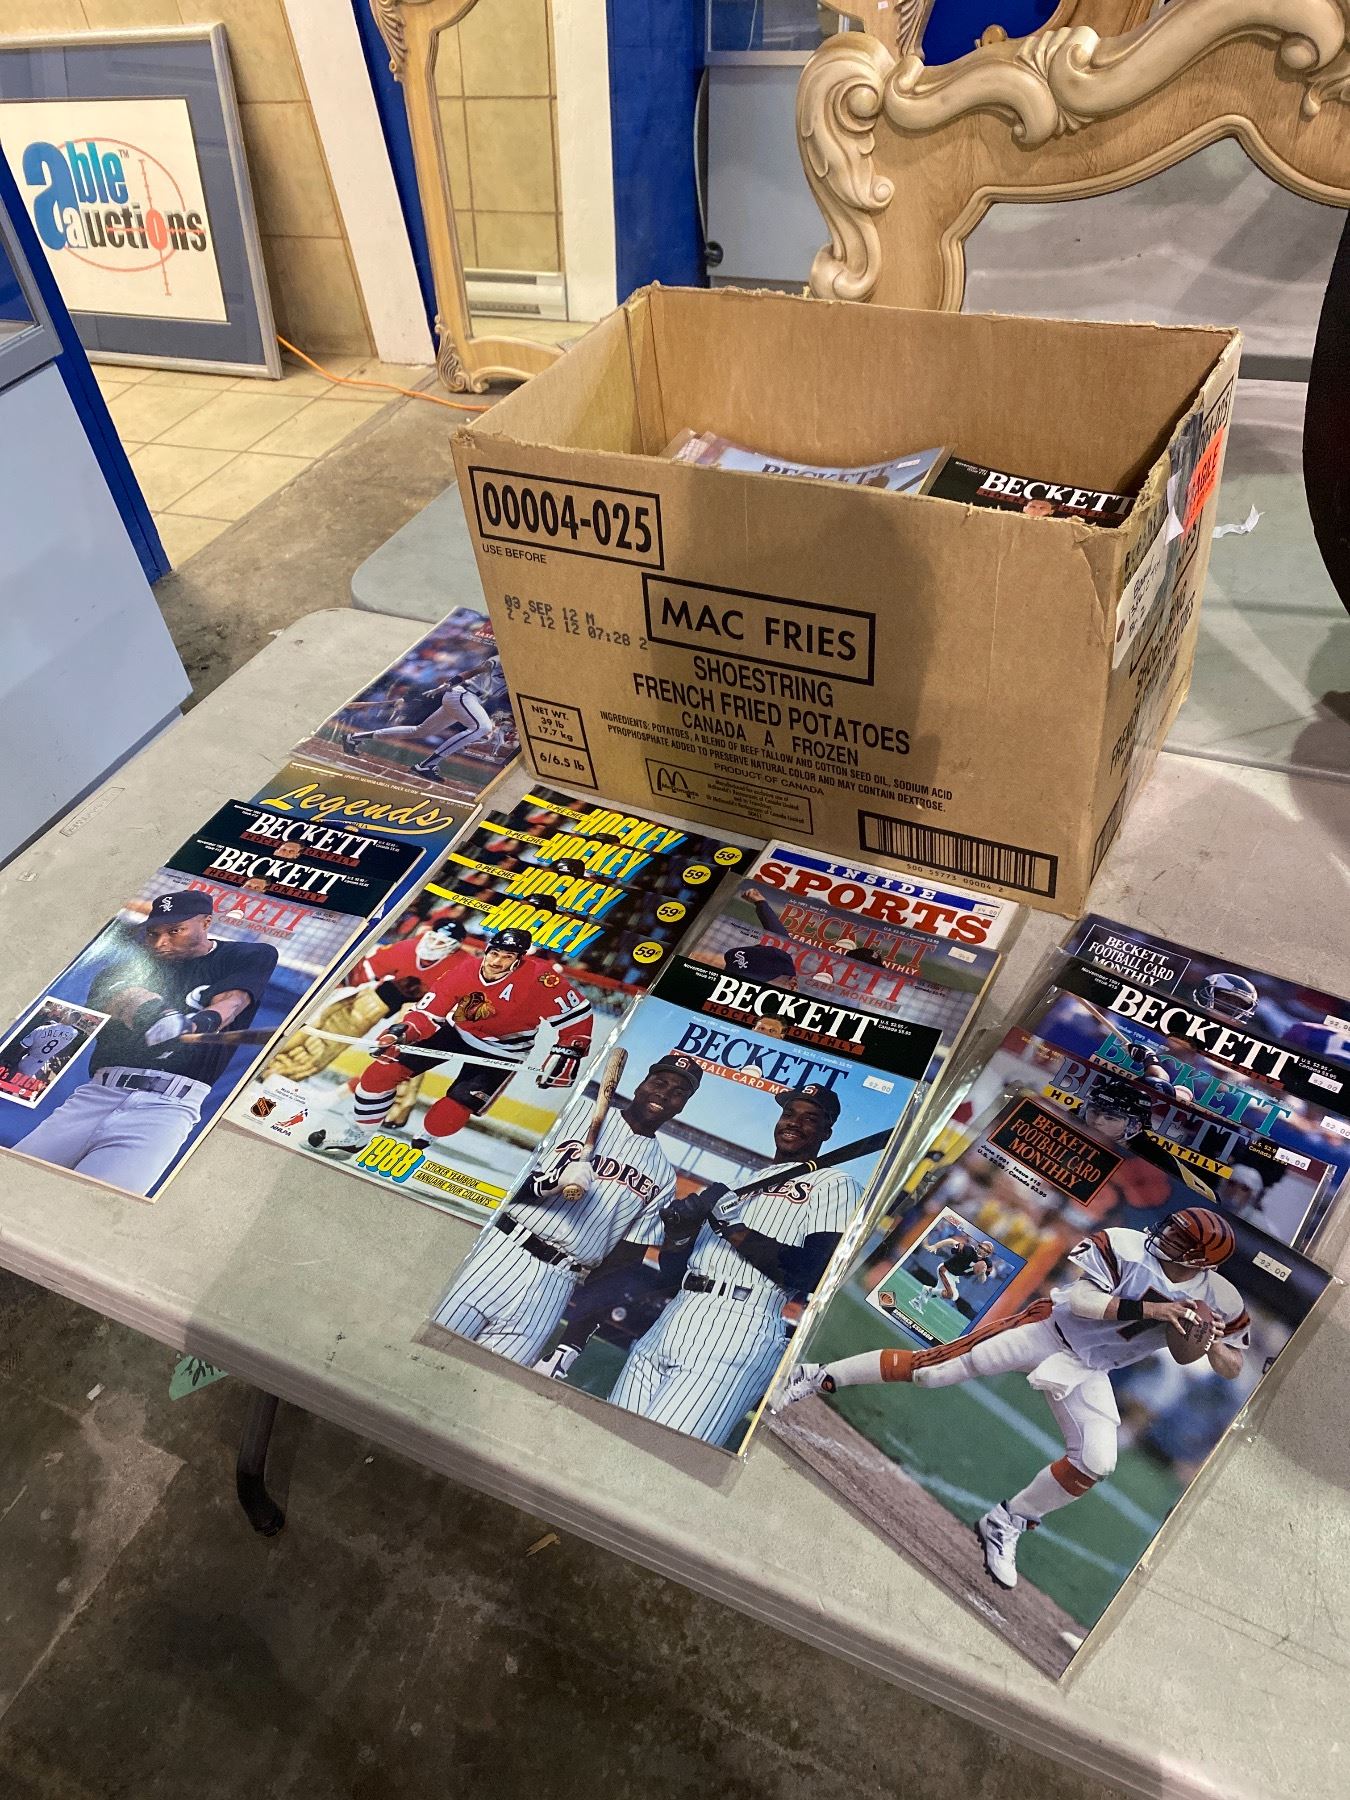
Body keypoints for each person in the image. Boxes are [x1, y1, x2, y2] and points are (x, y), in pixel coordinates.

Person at [779, 1207, 1247, 1590]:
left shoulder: (1219, 1298)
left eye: (1179, 1240)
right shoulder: (1123, 1244)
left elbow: (1231, 1365)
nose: (1163, 1237)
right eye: (1170, 1229)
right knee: (931, 1372)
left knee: (1098, 1460)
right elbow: (1081, 1302)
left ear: (1201, 1262)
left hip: (1091, 1368)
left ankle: (1009, 1520)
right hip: (1047, 1329)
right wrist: (1156, 1309)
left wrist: (1208, 1340)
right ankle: (816, 1375)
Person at [612, 1081, 857, 1447]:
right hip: (675, 1315)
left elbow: (815, 1272)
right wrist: (679, 1233)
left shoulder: (834, 1183)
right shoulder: (742, 1184)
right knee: (610, 1437)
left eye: (810, 1119)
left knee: (660, 1454)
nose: (794, 1123)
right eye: (789, 1113)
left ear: (826, 1132)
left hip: (740, 1326)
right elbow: (673, 1275)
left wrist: (732, 1228)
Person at [431, 1053, 702, 1363]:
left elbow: (621, 1265)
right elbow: (495, 1176)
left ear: (682, 1105)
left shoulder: (663, 1177)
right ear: (642, 1084)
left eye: (679, 1092)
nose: (665, 1094)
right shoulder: (576, 1113)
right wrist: (547, 1183)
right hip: (501, 1251)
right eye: (660, 1082)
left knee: (489, 1377)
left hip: (559, 1284)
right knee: (426, 1346)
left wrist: (571, 1345)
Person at [14, 890, 277, 1193]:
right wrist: (160, 1018)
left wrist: (198, 1023)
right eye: (154, 933)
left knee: (95, 1203)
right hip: (96, 1096)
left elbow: (233, 1002)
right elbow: (125, 997)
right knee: (14, 1181)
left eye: (175, 931)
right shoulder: (122, 969)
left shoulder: (247, 955)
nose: (161, 942)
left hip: (166, 1110)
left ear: (206, 922)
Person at [306, 926, 592, 1156]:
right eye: (495, 953)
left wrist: (568, 1051)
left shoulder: (540, 978)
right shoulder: (465, 970)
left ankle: (429, 1134)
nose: (497, 961)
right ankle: (357, 1135)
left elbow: (577, 1016)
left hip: (502, 1050)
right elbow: (429, 1013)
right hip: (455, 1032)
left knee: (445, 1119)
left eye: (507, 957)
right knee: (380, 1073)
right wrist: (404, 1031)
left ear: (519, 959)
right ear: (487, 950)